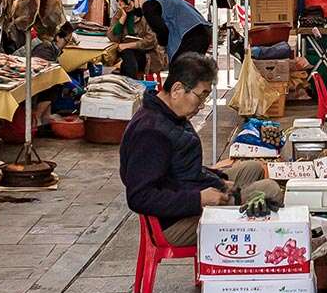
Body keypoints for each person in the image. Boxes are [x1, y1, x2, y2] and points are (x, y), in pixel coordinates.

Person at [120, 52, 286, 246]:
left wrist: (219, 180)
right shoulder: (150, 132)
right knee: (270, 190)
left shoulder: (172, 115)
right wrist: (199, 199)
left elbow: (184, 169)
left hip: (189, 190)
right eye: (201, 96)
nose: (201, 106)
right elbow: (140, 197)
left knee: (253, 168)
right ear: (177, 90)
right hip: (173, 222)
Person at [119, 0, 213, 61]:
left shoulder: (148, 5)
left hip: (192, 35)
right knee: (189, 73)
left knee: (179, 73)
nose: (132, 9)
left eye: (130, 4)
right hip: (202, 31)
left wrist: (161, 45)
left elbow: (161, 30)